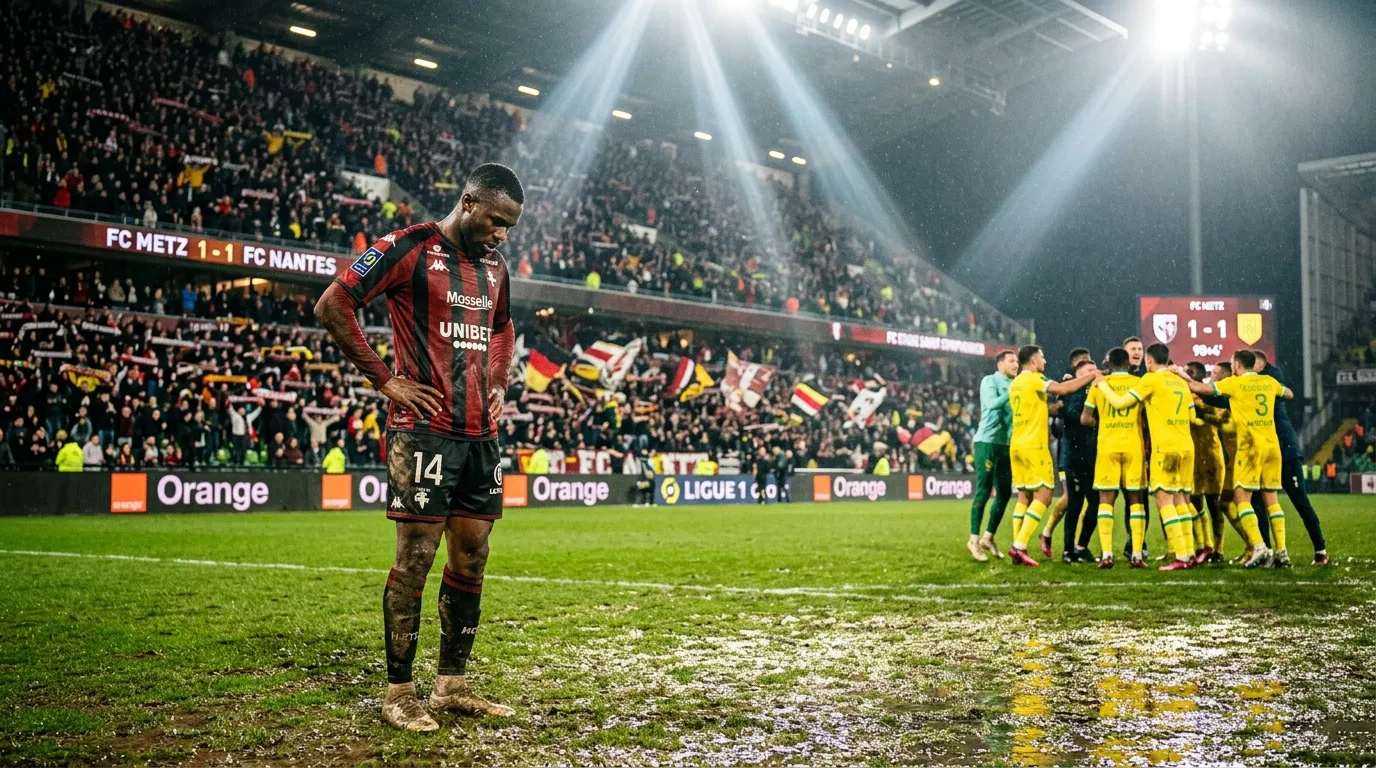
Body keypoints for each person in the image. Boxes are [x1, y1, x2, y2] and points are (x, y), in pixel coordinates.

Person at [315, 163, 522, 732]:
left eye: (510, 227)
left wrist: (500, 381)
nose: (501, 234)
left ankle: (451, 685)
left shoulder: (496, 266)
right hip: (424, 429)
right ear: (469, 201)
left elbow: (503, 329)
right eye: (496, 220)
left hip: (482, 435)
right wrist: (384, 379)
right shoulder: (407, 247)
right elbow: (333, 304)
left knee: (473, 554)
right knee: (416, 556)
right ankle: (398, 692)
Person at [1177, 349, 1292, 568]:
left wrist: (1182, 375)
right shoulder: (1268, 381)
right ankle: (1281, 551)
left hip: (1250, 447)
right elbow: (1289, 394)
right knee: (1272, 499)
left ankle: (1259, 546)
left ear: (1238, 366)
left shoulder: (1235, 384)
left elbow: (1197, 387)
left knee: (1241, 499)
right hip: (1272, 446)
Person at [1093, 343, 1202, 570]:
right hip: (1186, 446)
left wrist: (1102, 385)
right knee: (1181, 498)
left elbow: (1121, 403)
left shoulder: (1150, 380)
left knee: (1164, 499)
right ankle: (1189, 551)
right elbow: (1193, 417)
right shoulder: (1181, 381)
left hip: (1165, 447)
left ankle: (1180, 557)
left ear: (1149, 361)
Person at [1006, 346, 1099, 566]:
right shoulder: (1034, 379)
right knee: (1045, 496)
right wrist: (1090, 377)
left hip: (1017, 443)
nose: (1045, 361)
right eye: (1042, 357)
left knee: (1024, 496)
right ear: (1033, 360)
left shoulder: (1016, 383)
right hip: (1033, 445)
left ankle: (1019, 544)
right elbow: (1063, 389)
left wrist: (1058, 406)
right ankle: (1018, 546)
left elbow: (1046, 407)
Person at [1250, 350, 1328, 566]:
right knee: (1257, 500)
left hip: (1286, 451)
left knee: (1300, 501)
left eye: (1253, 364)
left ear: (1263, 363)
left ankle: (1320, 550)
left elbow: (1279, 379)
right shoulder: (1253, 386)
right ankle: (1266, 551)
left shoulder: (1273, 378)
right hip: (1267, 452)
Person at [1081, 347, 1145, 569]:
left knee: (1105, 500)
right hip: (1133, 445)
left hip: (1107, 445)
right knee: (1135, 500)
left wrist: (1105, 424)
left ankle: (1107, 554)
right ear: (1128, 363)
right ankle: (1137, 554)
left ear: (1108, 364)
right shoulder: (1139, 383)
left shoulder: (1098, 384)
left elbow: (1085, 418)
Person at [968, 349, 1016, 561]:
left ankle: (988, 537)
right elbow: (990, 404)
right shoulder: (990, 381)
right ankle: (973, 540)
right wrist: (1013, 391)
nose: (1016, 365)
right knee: (984, 490)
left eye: (1017, 361)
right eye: (1012, 361)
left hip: (1005, 444)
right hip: (986, 442)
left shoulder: (1016, 384)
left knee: (1005, 492)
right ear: (1000, 364)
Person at [1185, 362, 1226, 565]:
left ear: (1200, 376)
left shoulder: (1211, 396)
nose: (1186, 375)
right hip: (1192, 457)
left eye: (1190, 373)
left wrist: (1200, 410)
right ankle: (1202, 546)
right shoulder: (1183, 394)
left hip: (1210, 455)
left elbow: (1220, 418)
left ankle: (1219, 549)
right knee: (1193, 504)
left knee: (1214, 504)